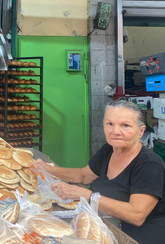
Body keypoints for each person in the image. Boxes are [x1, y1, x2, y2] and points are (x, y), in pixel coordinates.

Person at [32, 99, 165, 244]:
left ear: (141, 131)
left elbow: (136, 215)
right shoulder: (109, 150)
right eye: (110, 124)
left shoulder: (149, 165)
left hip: (137, 236)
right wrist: (50, 169)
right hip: (108, 225)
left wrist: (87, 195)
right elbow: (84, 175)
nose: (115, 131)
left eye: (125, 125)